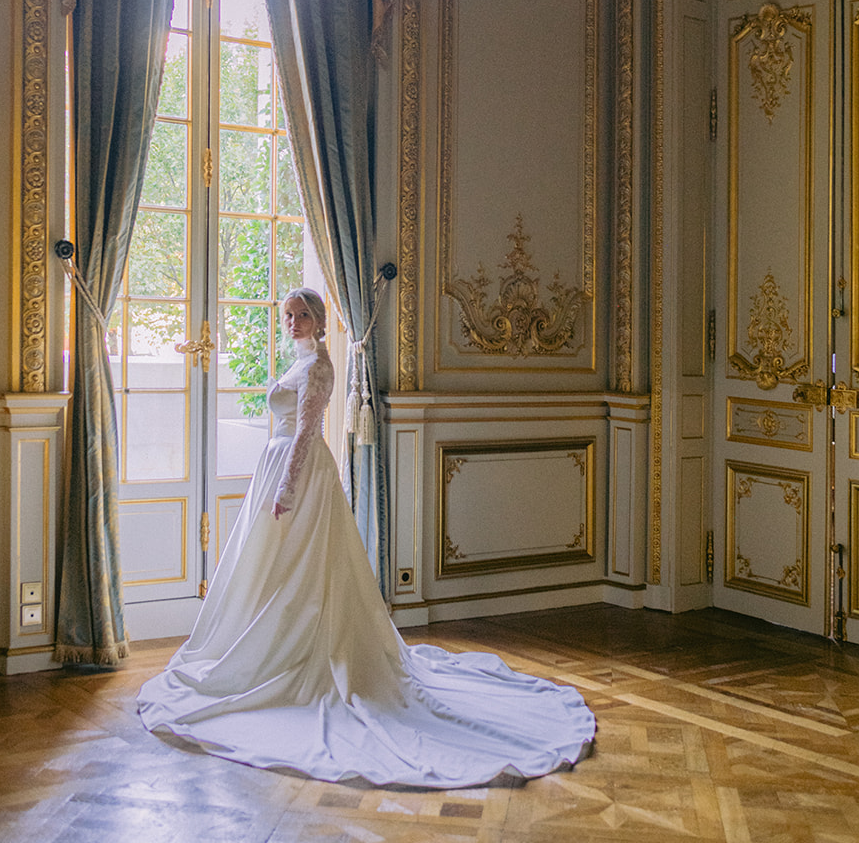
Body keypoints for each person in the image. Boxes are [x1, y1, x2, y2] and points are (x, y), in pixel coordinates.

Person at [137, 288, 595, 786]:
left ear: (317, 320)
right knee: (271, 569)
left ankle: (304, 653)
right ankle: (272, 647)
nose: (292, 322)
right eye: (288, 316)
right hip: (278, 466)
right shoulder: (301, 360)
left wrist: (287, 490)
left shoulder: (319, 369)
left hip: (301, 473)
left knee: (303, 567)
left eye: (302, 315)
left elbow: (308, 432)